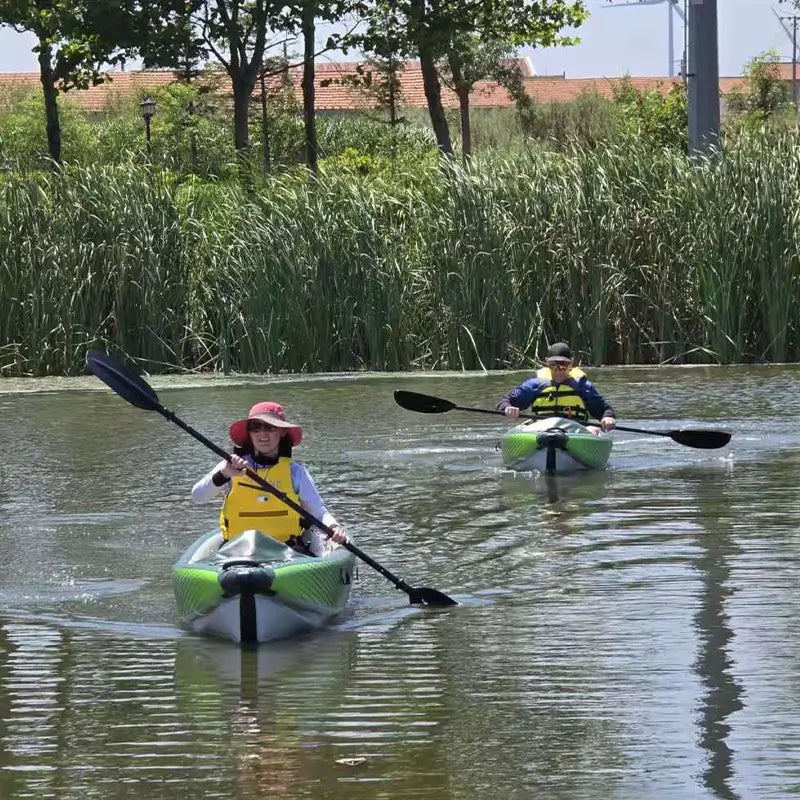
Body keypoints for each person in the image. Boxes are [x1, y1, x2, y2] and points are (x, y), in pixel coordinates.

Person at [191, 401, 348, 554]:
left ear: (282, 432)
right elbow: (198, 496)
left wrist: (333, 526)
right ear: (249, 433)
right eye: (255, 428)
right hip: (236, 551)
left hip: (286, 552)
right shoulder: (230, 466)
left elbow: (318, 511)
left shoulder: (296, 472)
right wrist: (224, 474)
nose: (262, 434)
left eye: (270, 427)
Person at [496, 342, 617, 432]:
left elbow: (605, 410)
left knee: (593, 430)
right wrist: (507, 407)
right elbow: (505, 401)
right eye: (554, 366)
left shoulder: (582, 386)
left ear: (571, 364)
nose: (558, 371)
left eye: (563, 366)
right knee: (518, 429)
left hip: (575, 430)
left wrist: (608, 418)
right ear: (547, 362)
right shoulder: (534, 385)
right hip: (541, 430)